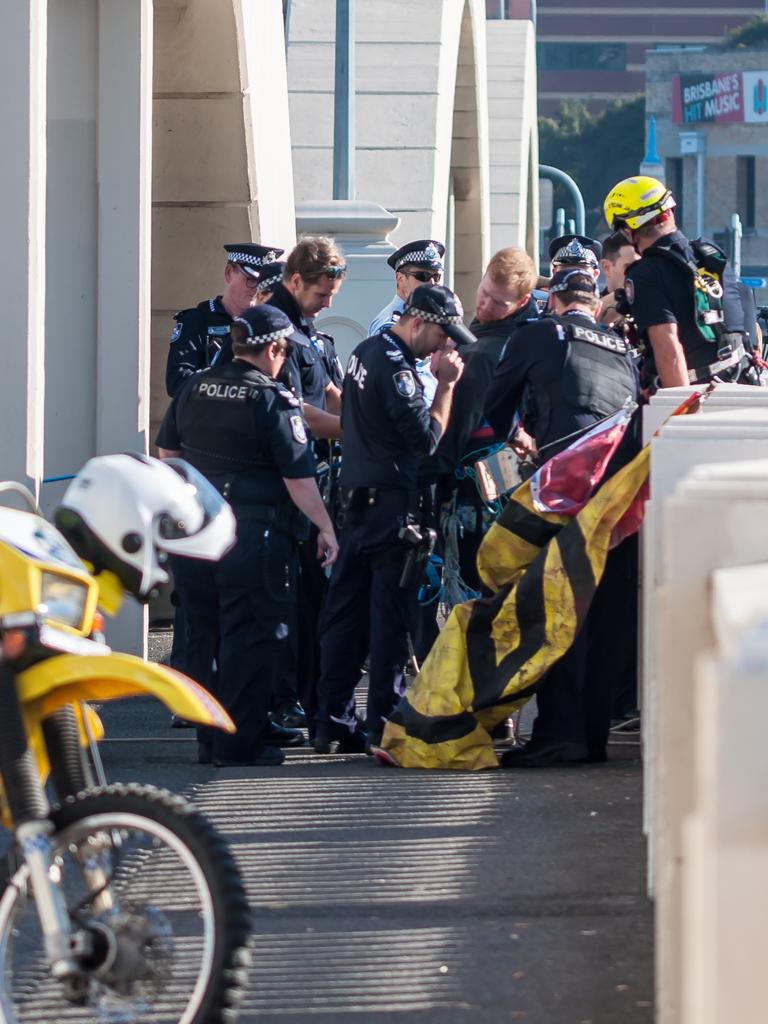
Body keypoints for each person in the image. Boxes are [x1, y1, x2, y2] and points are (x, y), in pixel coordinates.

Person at [155, 305, 339, 767]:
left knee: (204, 633)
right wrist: (326, 527)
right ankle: (241, 744)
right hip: (252, 535)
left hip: (194, 532)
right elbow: (299, 481)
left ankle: (208, 736)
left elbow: (168, 453)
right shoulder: (272, 400)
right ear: (273, 348)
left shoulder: (195, 387)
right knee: (251, 635)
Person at [485, 269, 640, 767]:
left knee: (557, 608)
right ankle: (591, 736)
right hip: (620, 494)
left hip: (567, 490)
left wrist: (520, 435)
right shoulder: (621, 349)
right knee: (605, 615)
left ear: (552, 301)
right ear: (594, 307)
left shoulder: (537, 333)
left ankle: (558, 735)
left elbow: (495, 408)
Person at [314, 284, 468, 753]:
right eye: (442, 336)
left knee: (344, 620)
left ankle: (331, 721)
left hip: (356, 504)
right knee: (388, 623)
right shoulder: (399, 368)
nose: (446, 347)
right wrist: (445, 386)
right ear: (418, 321)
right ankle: (385, 724)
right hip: (391, 512)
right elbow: (426, 440)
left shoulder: (364, 349)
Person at [417, 247, 538, 631]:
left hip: (478, 488)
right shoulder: (521, 337)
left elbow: (461, 427)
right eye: (483, 292)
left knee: (472, 587)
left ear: (521, 301)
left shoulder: (487, 352)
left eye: (497, 302)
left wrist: (430, 473)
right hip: (511, 479)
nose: (485, 304)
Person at [603, 175, 749, 389]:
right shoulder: (710, 255)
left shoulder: (645, 274)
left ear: (627, 230)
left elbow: (668, 351)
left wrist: (681, 417)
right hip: (746, 385)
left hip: (699, 395)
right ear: (669, 211)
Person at [165, 242, 285, 397]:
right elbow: (177, 382)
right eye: (251, 280)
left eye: (263, 284)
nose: (257, 290)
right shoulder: (198, 320)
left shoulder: (273, 326)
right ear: (229, 273)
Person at [369, 239, 446, 401]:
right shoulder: (390, 325)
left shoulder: (425, 316)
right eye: (423, 276)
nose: (432, 283)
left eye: (436, 276)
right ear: (400, 279)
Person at [598, 231, 641, 326]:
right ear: (606, 267)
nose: (640, 274)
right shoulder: (588, 308)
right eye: (630, 267)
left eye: (644, 267)